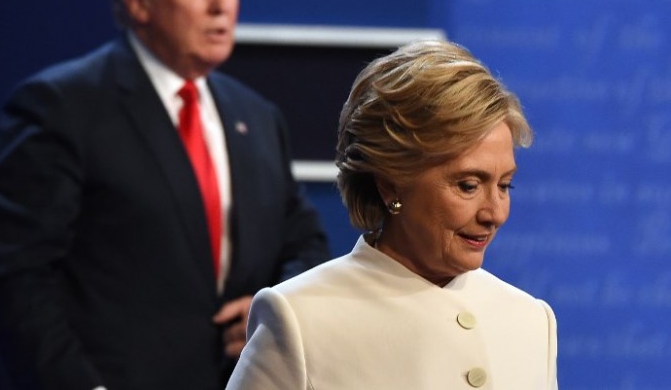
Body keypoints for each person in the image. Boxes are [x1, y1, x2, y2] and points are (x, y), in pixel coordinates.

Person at [0, 0, 329, 390]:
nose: (221, 5)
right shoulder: (61, 105)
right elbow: (16, 280)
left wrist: (270, 307)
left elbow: (304, 243)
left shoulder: (256, 115)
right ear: (138, 2)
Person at [227, 40, 558, 389]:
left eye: (505, 186)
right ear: (390, 185)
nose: (495, 213)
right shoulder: (299, 320)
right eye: (468, 185)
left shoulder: (531, 322)